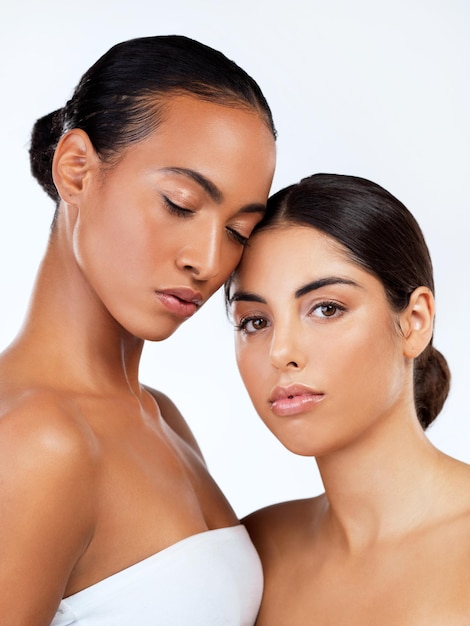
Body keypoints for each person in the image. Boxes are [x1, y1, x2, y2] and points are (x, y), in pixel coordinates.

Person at [0, 35, 276, 625]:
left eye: (239, 231)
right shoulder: (35, 442)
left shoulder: (163, 417)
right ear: (76, 170)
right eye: (180, 203)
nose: (207, 260)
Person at [226, 173, 470, 624]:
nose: (282, 353)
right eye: (255, 322)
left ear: (415, 321)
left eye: (326, 308)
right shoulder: (255, 553)